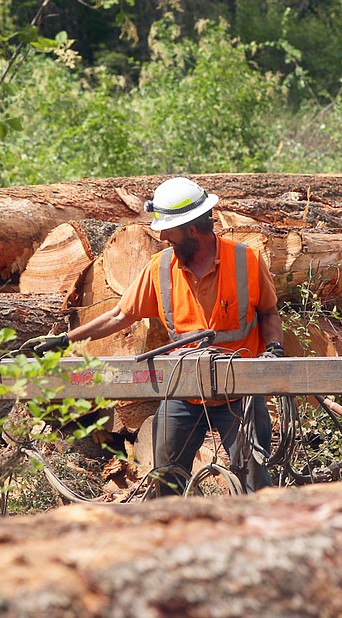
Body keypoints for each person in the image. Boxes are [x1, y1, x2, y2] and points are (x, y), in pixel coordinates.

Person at [33, 177, 284, 496]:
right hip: (183, 391)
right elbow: (120, 315)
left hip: (241, 392)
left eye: (169, 229)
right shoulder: (160, 268)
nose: (162, 235)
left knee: (254, 483)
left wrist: (274, 349)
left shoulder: (245, 260)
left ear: (193, 229)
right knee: (165, 481)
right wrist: (65, 341)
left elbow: (269, 312)